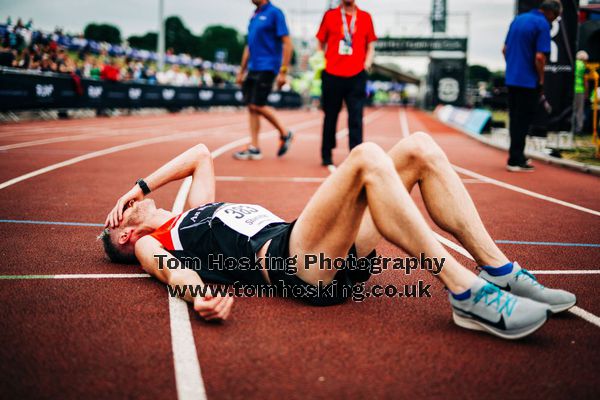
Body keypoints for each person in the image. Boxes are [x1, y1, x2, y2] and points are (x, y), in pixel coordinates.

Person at [101, 132, 576, 340]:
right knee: (368, 157)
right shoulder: (155, 241)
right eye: (120, 215)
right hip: (294, 265)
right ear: (124, 237)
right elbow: (169, 272)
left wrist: (137, 187)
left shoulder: (190, 211)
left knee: (417, 149)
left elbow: (202, 154)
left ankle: (501, 271)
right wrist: (199, 296)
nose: (125, 208)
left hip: (328, 252)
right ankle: (465, 292)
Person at [503, 0, 562, 172]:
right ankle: (515, 160)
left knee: (515, 119)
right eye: (556, 17)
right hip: (528, 81)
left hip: (512, 79)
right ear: (550, 13)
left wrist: (513, 67)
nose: (554, 21)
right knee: (523, 120)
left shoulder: (518, 19)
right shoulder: (542, 24)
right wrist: (541, 79)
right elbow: (539, 57)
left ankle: (516, 155)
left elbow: (505, 50)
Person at [316, 0, 376, 166]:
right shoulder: (330, 15)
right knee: (330, 116)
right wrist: (320, 59)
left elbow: (371, 45)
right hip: (332, 74)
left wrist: (367, 63)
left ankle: (356, 155)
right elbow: (320, 41)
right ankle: (326, 154)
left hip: (356, 75)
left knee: (356, 117)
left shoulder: (365, 17)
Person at [233, 0, 294, 161]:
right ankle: (254, 147)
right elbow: (249, 46)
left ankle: (285, 133)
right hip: (253, 67)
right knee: (251, 107)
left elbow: (287, 44)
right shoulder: (254, 15)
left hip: (268, 66)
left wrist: (283, 71)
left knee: (257, 104)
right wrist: (241, 71)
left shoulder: (275, 13)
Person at [573, 50, 589, 134]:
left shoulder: (573, 63)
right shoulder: (582, 65)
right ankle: (579, 128)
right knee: (580, 110)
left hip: (572, 89)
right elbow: (585, 80)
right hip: (580, 90)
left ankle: (571, 127)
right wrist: (586, 92)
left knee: (573, 109)